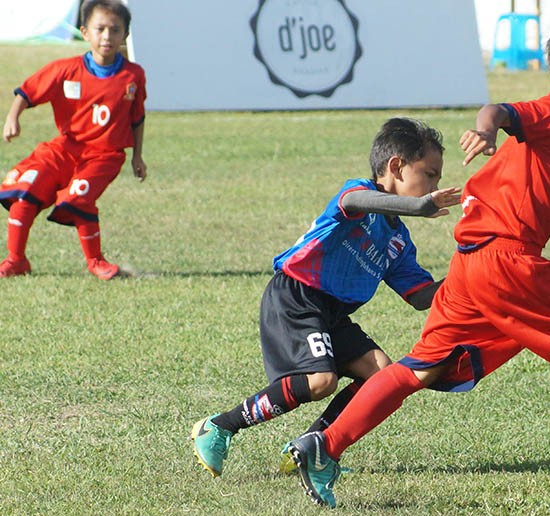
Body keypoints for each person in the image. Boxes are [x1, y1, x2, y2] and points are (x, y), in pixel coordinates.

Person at [283, 15, 550, 509]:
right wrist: (485, 129)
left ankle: (323, 446)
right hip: (507, 262)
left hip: (470, 268)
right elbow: (498, 110)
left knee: (420, 368)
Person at [191, 118, 461, 480]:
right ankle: (219, 426)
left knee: (381, 375)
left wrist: (469, 274)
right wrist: (418, 205)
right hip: (296, 295)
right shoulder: (358, 195)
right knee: (321, 381)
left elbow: (420, 296)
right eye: (429, 174)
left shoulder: (398, 241)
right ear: (396, 166)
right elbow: (356, 201)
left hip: (332, 313)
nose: (435, 186)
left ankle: (308, 446)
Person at [1, 0, 147, 279]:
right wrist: (12, 118)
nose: (107, 36)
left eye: (115, 30)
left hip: (105, 155)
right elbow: (28, 92)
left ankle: (96, 262)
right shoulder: (64, 70)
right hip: (65, 148)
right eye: (100, 29)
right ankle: (16, 260)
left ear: (125, 35)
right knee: (24, 192)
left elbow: (137, 118)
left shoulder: (133, 76)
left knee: (77, 199)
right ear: (84, 32)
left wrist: (137, 157)